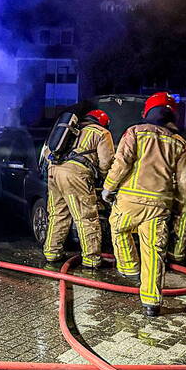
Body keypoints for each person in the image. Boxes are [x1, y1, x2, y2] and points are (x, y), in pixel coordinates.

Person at [101, 92, 186, 317]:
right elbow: (185, 181)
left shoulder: (135, 132)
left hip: (129, 201)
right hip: (159, 205)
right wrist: (182, 207)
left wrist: (108, 188)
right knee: (154, 251)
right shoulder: (179, 143)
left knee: (118, 228)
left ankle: (129, 268)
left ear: (148, 111)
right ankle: (151, 303)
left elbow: (122, 163)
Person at [42, 109, 115, 269]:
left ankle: (52, 253)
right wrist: (105, 180)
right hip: (75, 175)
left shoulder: (70, 130)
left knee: (57, 214)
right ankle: (91, 260)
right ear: (104, 123)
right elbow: (106, 162)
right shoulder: (101, 132)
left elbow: (48, 153)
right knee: (86, 218)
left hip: (54, 171)